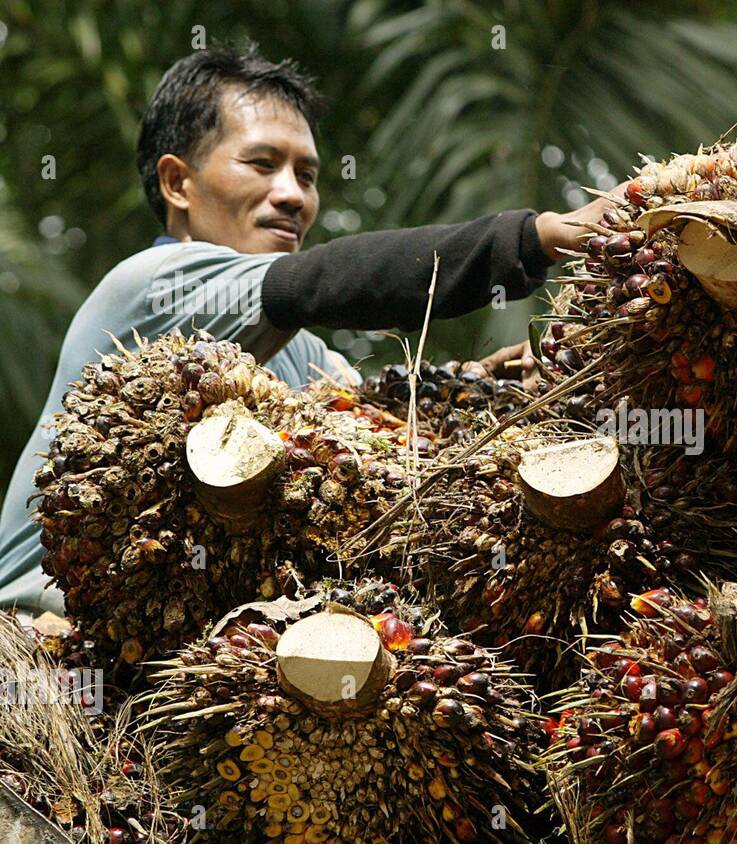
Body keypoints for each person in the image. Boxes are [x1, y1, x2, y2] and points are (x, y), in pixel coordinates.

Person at [0, 43, 618, 619]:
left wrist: (477, 390)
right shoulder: (154, 284)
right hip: (40, 656)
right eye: (262, 164)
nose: (292, 195)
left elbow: (373, 429)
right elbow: (325, 280)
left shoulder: (300, 354)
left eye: (308, 175)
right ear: (177, 183)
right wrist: (531, 239)